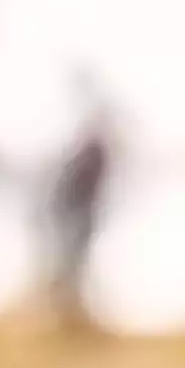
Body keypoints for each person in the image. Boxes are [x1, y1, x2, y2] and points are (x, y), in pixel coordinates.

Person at [48, 96, 113, 333]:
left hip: (80, 219)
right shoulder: (88, 152)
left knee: (73, 263)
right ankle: (64, 310)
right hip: (75, 218)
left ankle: (70, 310)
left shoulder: (90, 151)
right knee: (69, 263)